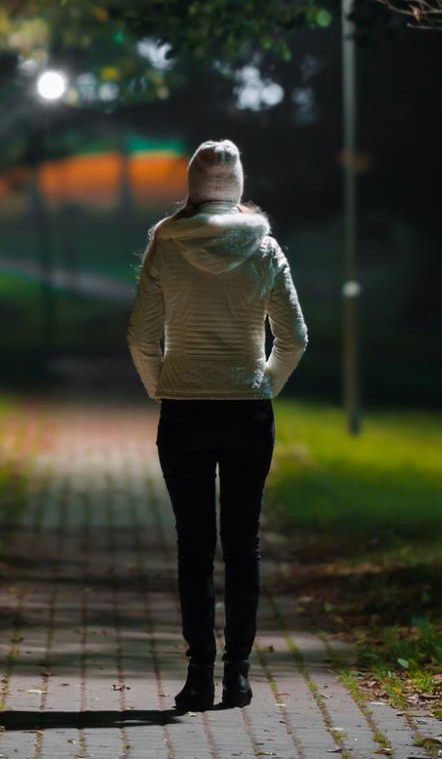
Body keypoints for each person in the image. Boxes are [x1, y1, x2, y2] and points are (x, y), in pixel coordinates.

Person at [126, 138, 309, 712]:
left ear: (192, 185)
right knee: (243, 542)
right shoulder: (264, 248)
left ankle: (198, 673)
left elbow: (139, 336)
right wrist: (262, 384)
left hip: (184, 409)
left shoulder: (166, 244)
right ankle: (239, 676)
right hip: (247, 410)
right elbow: (295, 338)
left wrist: (163, 385)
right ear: (237, 186)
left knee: (194, 544)